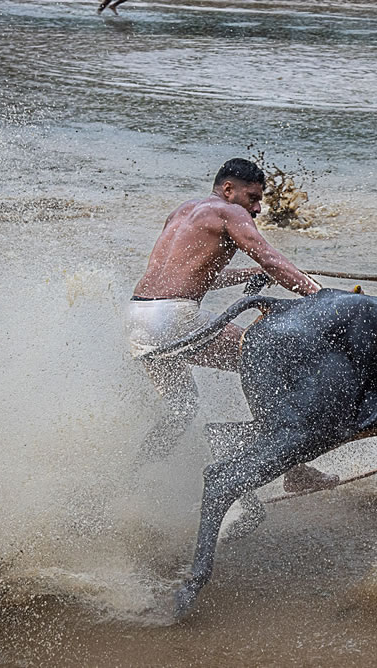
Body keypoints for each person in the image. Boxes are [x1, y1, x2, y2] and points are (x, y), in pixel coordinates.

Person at [127, 158, 339, 499]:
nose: (256, 209)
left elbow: (192, 278)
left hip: (139, 316)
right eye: (253, 198)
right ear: (229, 189)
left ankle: (129, 479)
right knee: (270, 363)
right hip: (174, 317)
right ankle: (294, 470)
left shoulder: (183, 211)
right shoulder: (230, 213)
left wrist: (247, 276)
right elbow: (271, 259)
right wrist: (323, 296)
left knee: (181, 410)